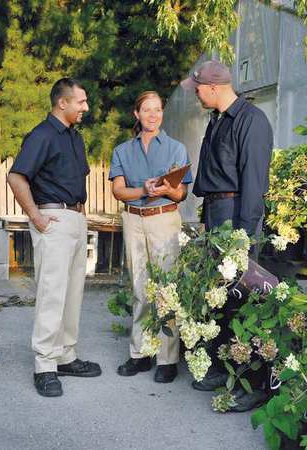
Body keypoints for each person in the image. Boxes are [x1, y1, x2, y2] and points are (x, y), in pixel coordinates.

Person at [181, 60, 273, 410]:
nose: (196, 95)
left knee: (246, 302)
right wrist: (207, 222)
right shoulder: (217, 120)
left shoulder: (252, 121)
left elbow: (253, 185)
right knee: (221, 299)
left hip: (237, 217)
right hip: (217, 214)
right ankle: (224, 367)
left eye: (199, 89)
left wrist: (244, 241)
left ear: (214, 87)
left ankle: (253, 385)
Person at [8, 78, 102, 397]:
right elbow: (16, 176)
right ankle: (45, 364)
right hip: (53, 218)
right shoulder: (43, 135)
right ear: (62, 103)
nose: (85, 107)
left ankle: (65, 356)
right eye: (81, 102)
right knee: (52, 293)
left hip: (75, 218)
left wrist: (82, 217)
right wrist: (35, 215)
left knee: (73, 292)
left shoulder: (75, 139)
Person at [109, 91, 192, 383]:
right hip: (133, 220)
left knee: (166, 289)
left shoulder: (176, 148)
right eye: (147, 110)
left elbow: (181, 192)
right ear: (137, 114)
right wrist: (144, 190)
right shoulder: (122, 151)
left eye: (157, 110)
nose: (153, 115)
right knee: (140, 287)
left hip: (164, 219)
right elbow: (119, 191)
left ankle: (167, 359)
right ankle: (140, 354)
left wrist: (166, 190)